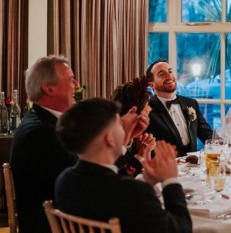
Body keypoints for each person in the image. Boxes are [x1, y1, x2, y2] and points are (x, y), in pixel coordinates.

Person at [10, 55, 148, 233]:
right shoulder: (41, 133)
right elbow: (94, 183)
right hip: (60, 225)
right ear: (49, 88)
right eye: (71, 79)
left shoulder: (44, 121)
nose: (77, 85)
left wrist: (124, 136)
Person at [55, 99, 192, 233]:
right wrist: (170, 180)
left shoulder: (64, 180)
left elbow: (108, 190)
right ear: (109, 138)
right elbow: (182, 228)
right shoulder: (132, 192)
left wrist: (146, 181)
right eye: (119, 125)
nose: (123, 129)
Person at [145, 59, 213, 156]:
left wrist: (228, 145)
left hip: (193, 167)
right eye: (162, 74)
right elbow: (148, 150)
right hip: (165, 168)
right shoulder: (147, 110)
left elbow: (208, 135)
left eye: (170, 71)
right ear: (152, 84)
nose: (169, 76)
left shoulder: (191, 103)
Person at [111, 76, 156, 177]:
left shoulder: (137, 139)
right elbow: (119, 178)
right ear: (134, 112)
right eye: (146, 112)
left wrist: (146, 151)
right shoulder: (108, 140)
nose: (148, 117)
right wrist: (140, 155)